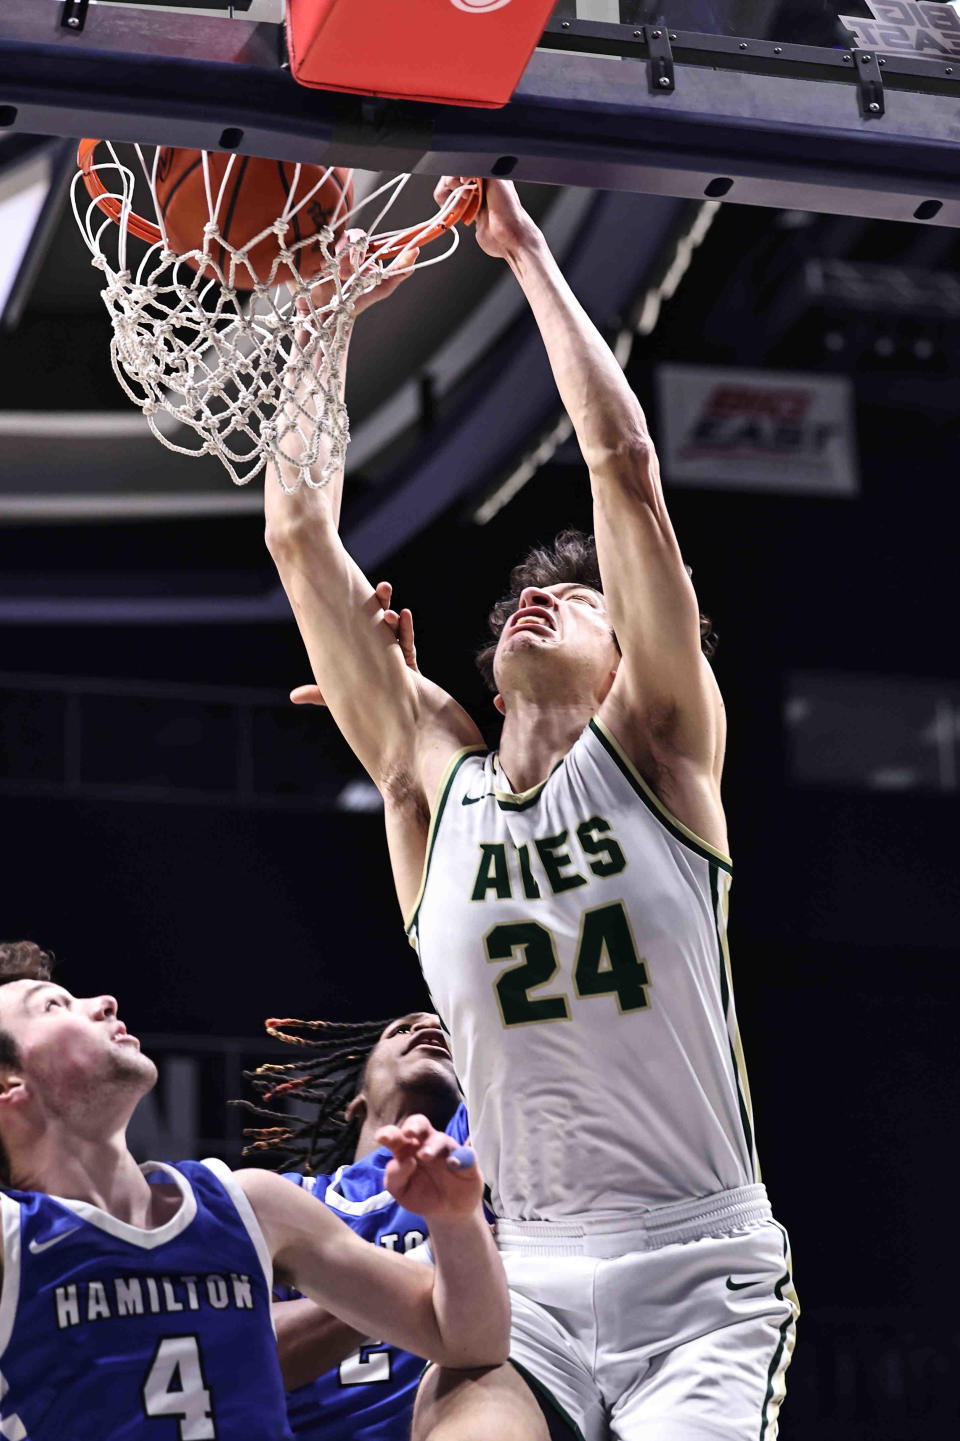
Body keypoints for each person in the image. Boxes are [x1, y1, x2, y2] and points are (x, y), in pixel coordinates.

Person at [264, 177, 798, 1441]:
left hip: (703, 1273)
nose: (534, 603)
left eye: (578, 599)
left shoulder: (662, 754)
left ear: (639, 661)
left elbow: (622, 467)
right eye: (514, 601)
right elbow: (297, 530)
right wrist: (327, 303)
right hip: (530, 1267)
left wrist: (524, 252)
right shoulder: (429, 785)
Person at [0, 941, 509, 1440]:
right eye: (53, 1005)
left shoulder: (251, 1205)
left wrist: (453, 1219)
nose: (103, 1002)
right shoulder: (14, 1237)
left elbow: (467, 1340)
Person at [238, 1009, 469, 1439]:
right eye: (400, 1030)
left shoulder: (482, 1156)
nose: (429, 1027)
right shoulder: (286, 1199)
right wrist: (415, 1274)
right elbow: (243, 1350)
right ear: (356, 1103)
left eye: (446, 1029)